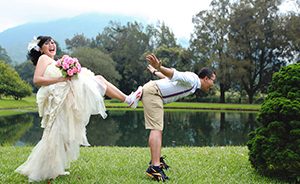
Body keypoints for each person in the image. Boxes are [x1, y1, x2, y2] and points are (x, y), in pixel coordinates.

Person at [15, 36, 142, 182]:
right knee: (56, 132)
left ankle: (54, 168)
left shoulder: (56, 61)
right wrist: (61, 79)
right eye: (47, 43)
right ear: (41, 49)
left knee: (61, 133)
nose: (51, 44)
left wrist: (70, 71)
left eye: (53, 42)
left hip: (65, 96)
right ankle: (128, 100)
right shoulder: (44, 59)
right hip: (60, 97)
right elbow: (37, 80)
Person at [142, 54, 216, 182]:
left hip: (155, 93)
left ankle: (156, 161)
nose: (213, 84)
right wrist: (159, 67)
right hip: (153, 93)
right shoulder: (192, 79)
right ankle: (154, 168)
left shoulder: (193, 84)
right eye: (213, 80)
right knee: (156, 129)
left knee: (158, 129)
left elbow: (168, 79)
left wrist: (155, 71)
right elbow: (173, 74)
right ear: (205, 78)